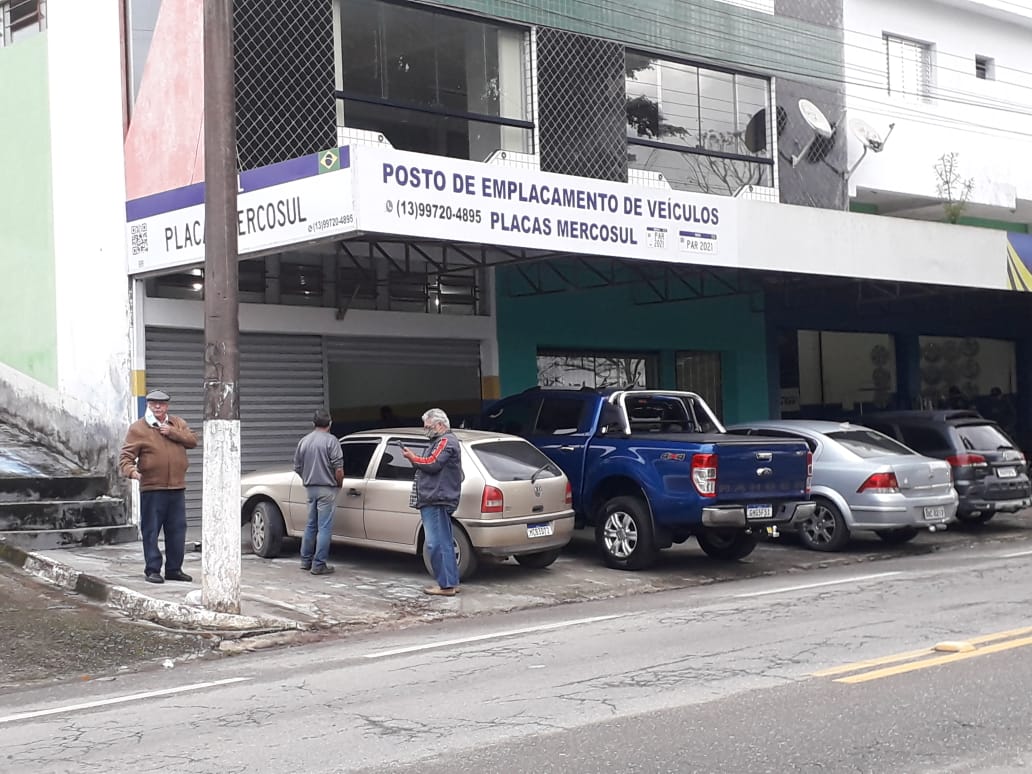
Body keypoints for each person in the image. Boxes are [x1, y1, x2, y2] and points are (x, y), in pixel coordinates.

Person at [119, 389, 198, 584]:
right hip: (153, 488)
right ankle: (152, 569)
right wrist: (132, 472)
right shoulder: (139, 428)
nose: (157, 407)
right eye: (153, 403)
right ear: (148, 405)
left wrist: (173, 432)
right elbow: (126, 457)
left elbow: (193, 441)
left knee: (177, 530)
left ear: (167, 406)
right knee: (151, 530)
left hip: (177, 487)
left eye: (161, 404)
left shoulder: (177, 423)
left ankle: (174, 569)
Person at [402, 408, 463, 596]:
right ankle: (450, 582)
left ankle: (446, 585)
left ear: (439, 425)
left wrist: (413, 458)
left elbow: (432, 463)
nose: (425, 429)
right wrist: (415, 459)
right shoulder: (441, 441)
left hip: (436, 498)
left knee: (436, 543)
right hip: (436, 497)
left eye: (428, 426)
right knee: (444, 541)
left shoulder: (445, 441)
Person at [294, 409, 344, 575]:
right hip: (327, 488)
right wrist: (339, 484)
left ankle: (305, 561)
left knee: (310, 525)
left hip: (310, 489)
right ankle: (319, 564)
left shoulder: (304, 441)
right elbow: (339, 469)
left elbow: (298, 467)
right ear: (330, 424)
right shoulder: (332, 441)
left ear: (313, 424)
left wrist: (307, 478)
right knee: (324, 527)